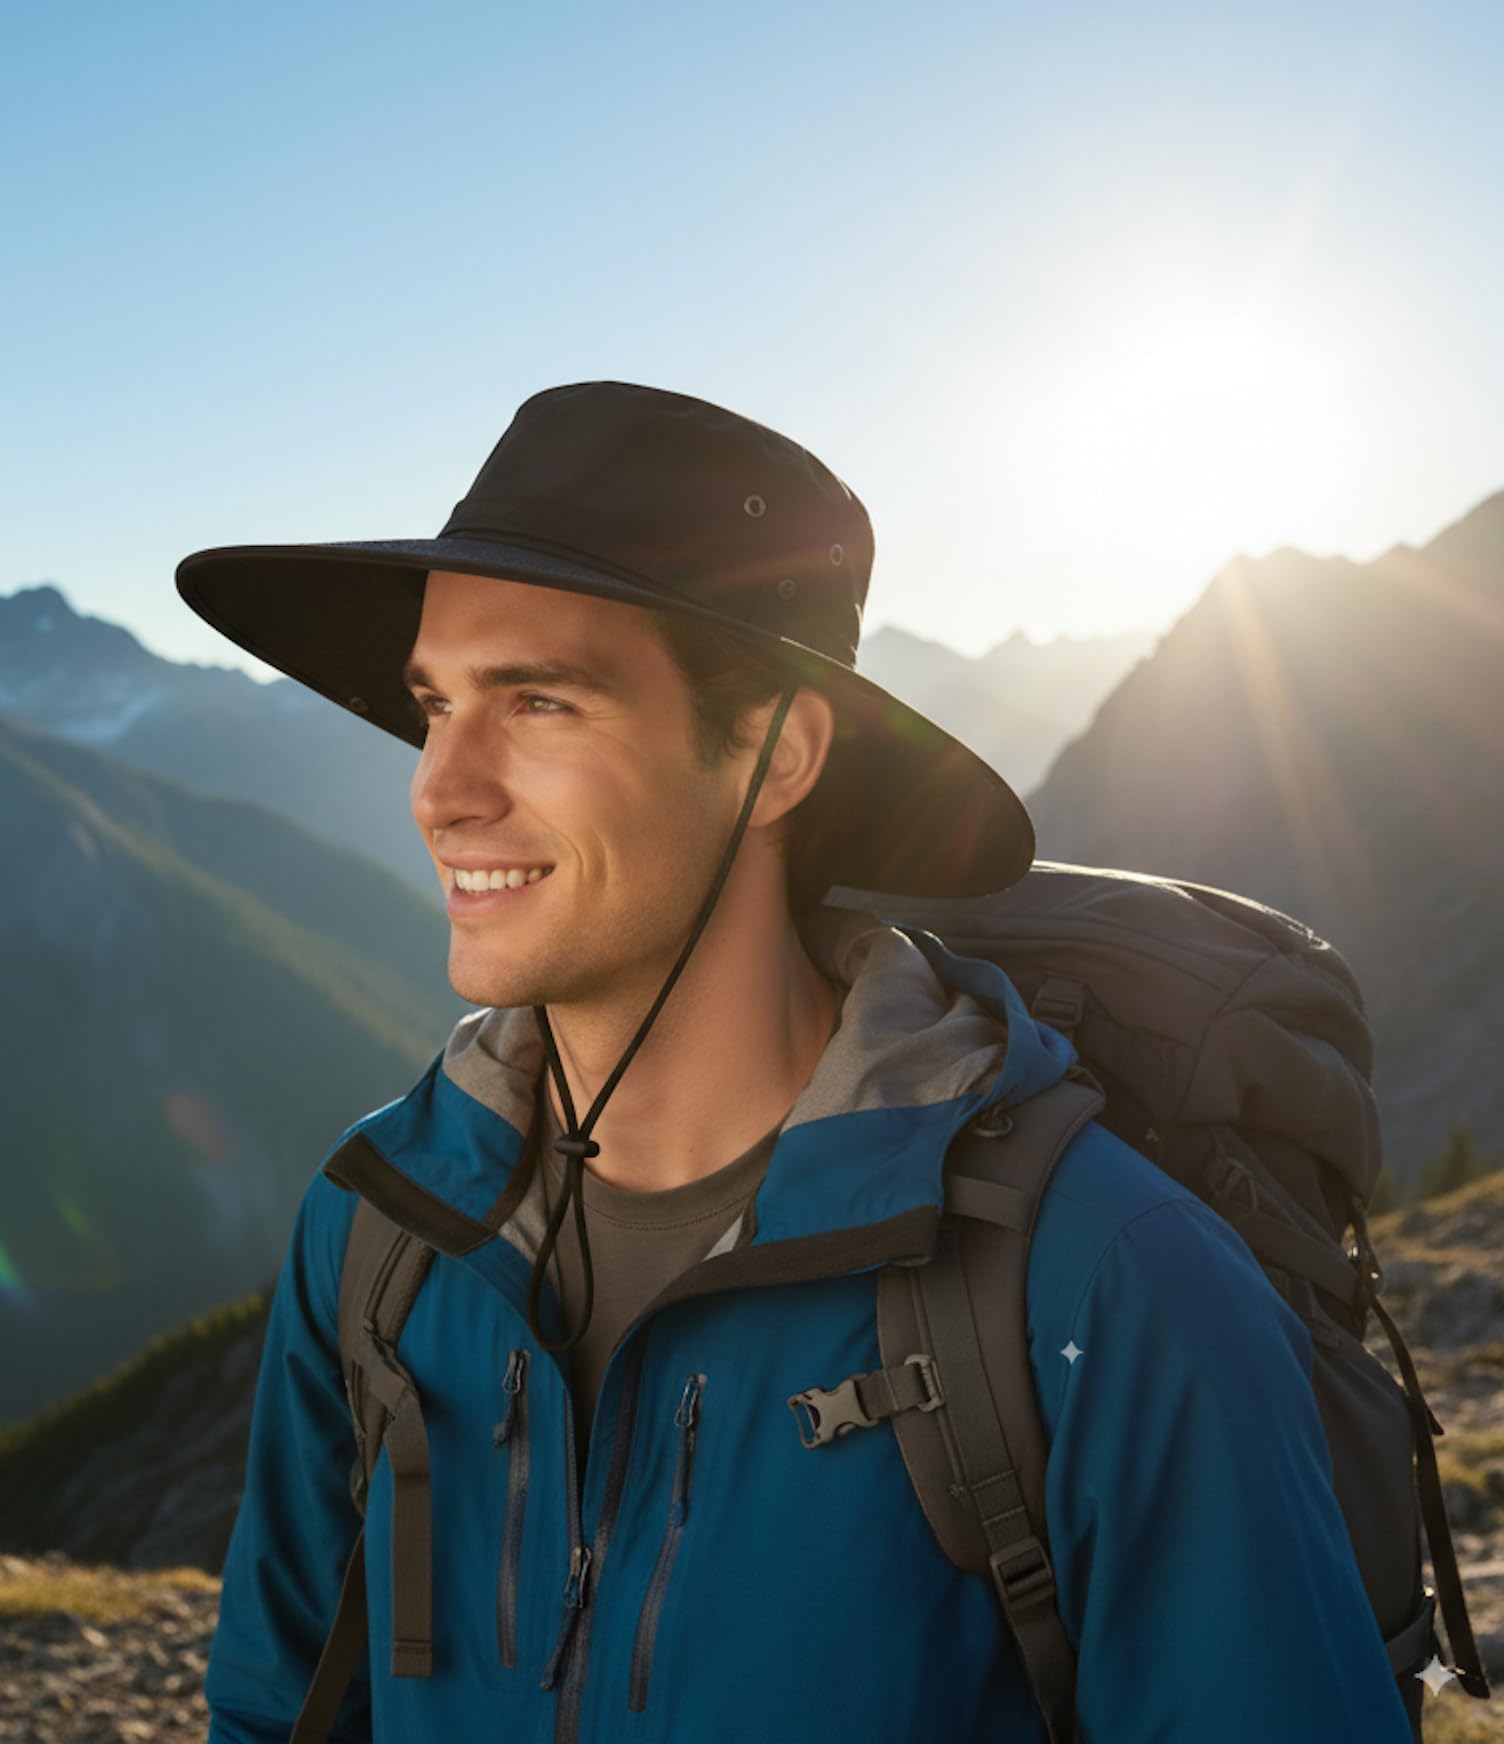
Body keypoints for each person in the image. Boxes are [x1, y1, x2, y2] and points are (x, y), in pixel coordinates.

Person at [176, 380, 1411, 1742]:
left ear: (776, 759)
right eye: (436, 704)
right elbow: (272, 1713)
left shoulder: (1106, 1285)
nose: (440, 786)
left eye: (537, 702)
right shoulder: (376, 1234)